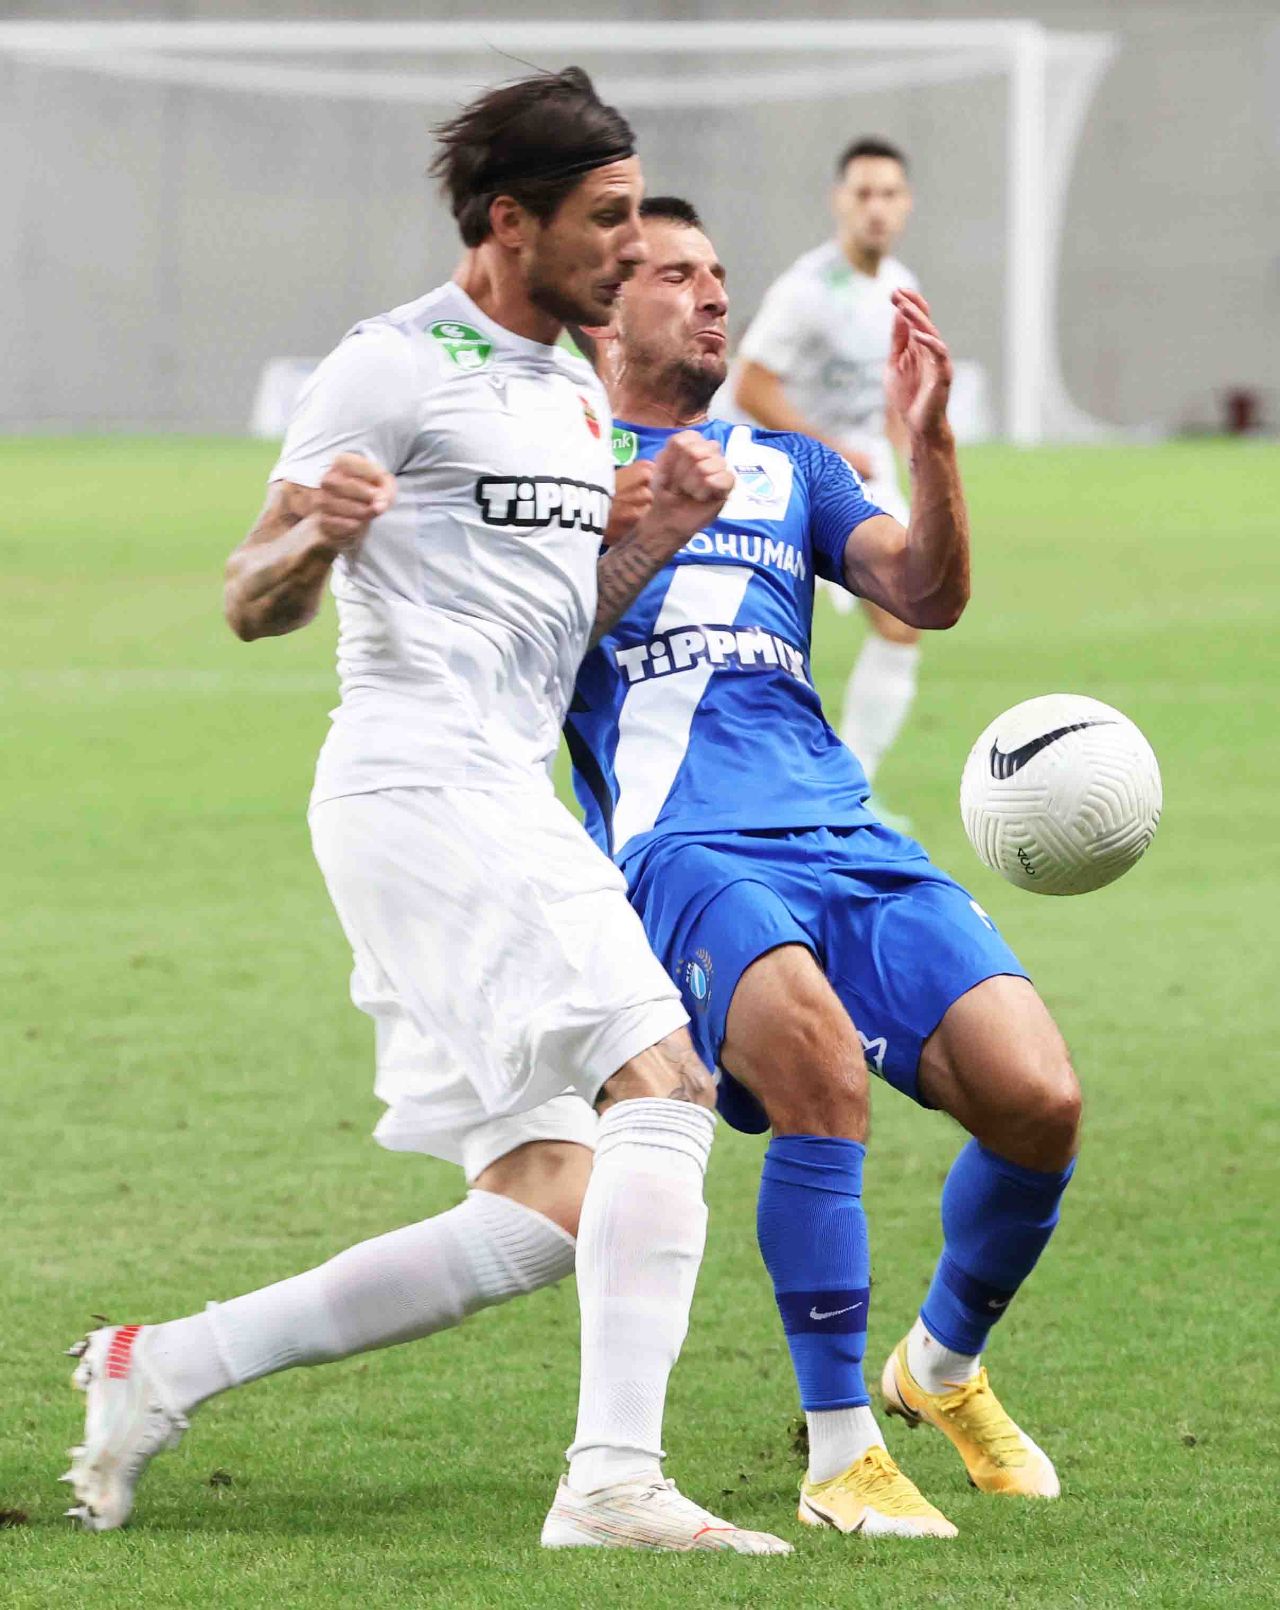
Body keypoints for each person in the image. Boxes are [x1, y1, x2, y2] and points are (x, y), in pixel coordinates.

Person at [61, 71, 788, 1557]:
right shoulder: (390, 364)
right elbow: (247, 597)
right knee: (664, 1076)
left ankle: (162, 1364)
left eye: (637, 214)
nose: (632, 246)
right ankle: (611, 1484)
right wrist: (313, 543)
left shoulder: (571, 388)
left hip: (482, 788)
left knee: (555, 1201)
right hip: (420, 779)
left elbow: (554, 631)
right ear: (509, 221)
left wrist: (655, 529)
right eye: (606, 218)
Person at [568, 197, 1081, 1538]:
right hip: (681, 843)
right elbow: (524, 650)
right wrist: (646, 526)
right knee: (820, 1075)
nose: (712, 294)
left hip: (842, 832)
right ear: (602, 309)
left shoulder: (787, 463)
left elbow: (926, 591)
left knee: (1039, 1100)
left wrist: (929, 446)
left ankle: (941, 1366)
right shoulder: (561, 468)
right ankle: (840, 1448)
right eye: (674, 275)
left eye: (718, 272)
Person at [734, 138, 923, 825]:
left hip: (862, 473)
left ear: (906, 204)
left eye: (889, 194)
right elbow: (751, 387)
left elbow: (894, 389)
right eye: (863, 193)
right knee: (762, 639)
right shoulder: (806, 290)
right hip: (782, 474)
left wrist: (907, 447)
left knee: (905, 616)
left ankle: (854, 791)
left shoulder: (902, 286)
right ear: (839, 201)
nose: (876, 208)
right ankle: (761, 789)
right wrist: (832, 446)